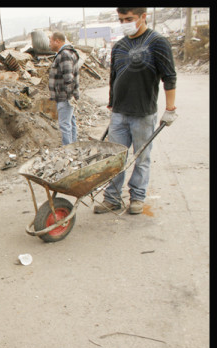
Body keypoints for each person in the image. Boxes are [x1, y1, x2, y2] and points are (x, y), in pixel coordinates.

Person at [94, 7, 177, 215]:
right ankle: (112, 198)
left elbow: (169, 77)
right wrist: (112, 103)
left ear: (143, 17)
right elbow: (114, 77)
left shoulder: (157, 42)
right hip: (119, 113)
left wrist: (170, 108)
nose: (124, 23)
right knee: (114, 158)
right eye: (121, 19)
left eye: (129, 19)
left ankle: (137, 198)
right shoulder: (119, 45)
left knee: (141, 158)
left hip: (143, 113)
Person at [48, 31, 80, 145]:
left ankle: (68, 150)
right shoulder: (66, 53)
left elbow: (68, 78)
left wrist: (69, 96)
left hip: (64, 96)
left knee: (65, 125)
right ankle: (74, 146)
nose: (49, 44)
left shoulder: (64, 54)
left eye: (51, 41)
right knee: (70, 122)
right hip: (66, 95)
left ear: (57, 41)